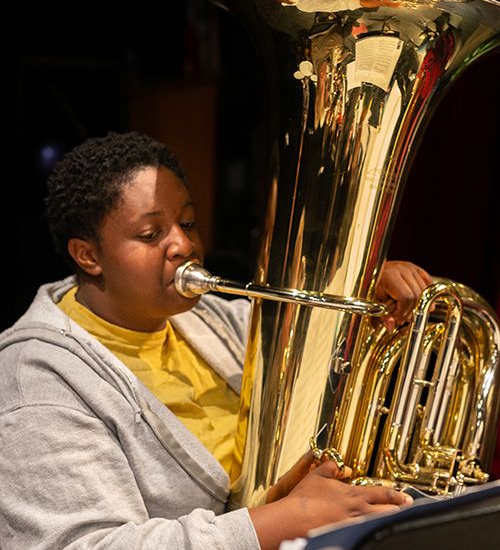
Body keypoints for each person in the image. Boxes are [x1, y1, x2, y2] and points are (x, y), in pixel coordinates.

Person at [0, 131, 432, 550]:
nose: (184, 245)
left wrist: (365, 302)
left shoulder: (212, 317)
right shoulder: (35, 383)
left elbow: (312, 348)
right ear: (88, 255)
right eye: (151, 235)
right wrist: (282, 520)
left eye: (187, 223)